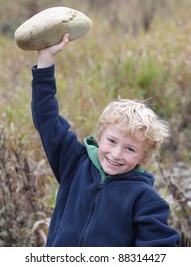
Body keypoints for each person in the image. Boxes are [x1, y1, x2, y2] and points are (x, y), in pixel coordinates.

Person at [31, 34, 180, 247]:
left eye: (130, 149)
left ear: (143, 156)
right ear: (99, 136)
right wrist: (45, 61)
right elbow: (47, 120)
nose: (116, 154)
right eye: (111, 141)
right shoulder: (73, 163)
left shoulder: (145, 199)